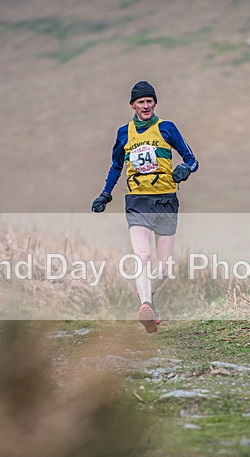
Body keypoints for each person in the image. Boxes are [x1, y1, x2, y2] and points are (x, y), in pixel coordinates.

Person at [91, 81, 198, 333]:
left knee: (163, 268)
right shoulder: (124, 133)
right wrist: (105, 194)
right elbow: (116, 166)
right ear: (133, 105)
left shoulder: (167, 128)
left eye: (149, 101)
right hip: (138, 201)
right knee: (142, 256)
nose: (146, 105)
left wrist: (184, 169)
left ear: (155, 104)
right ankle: (147, 304)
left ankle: (146, 298)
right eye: (141, 102)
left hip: (166, 201)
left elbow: (192, 159)